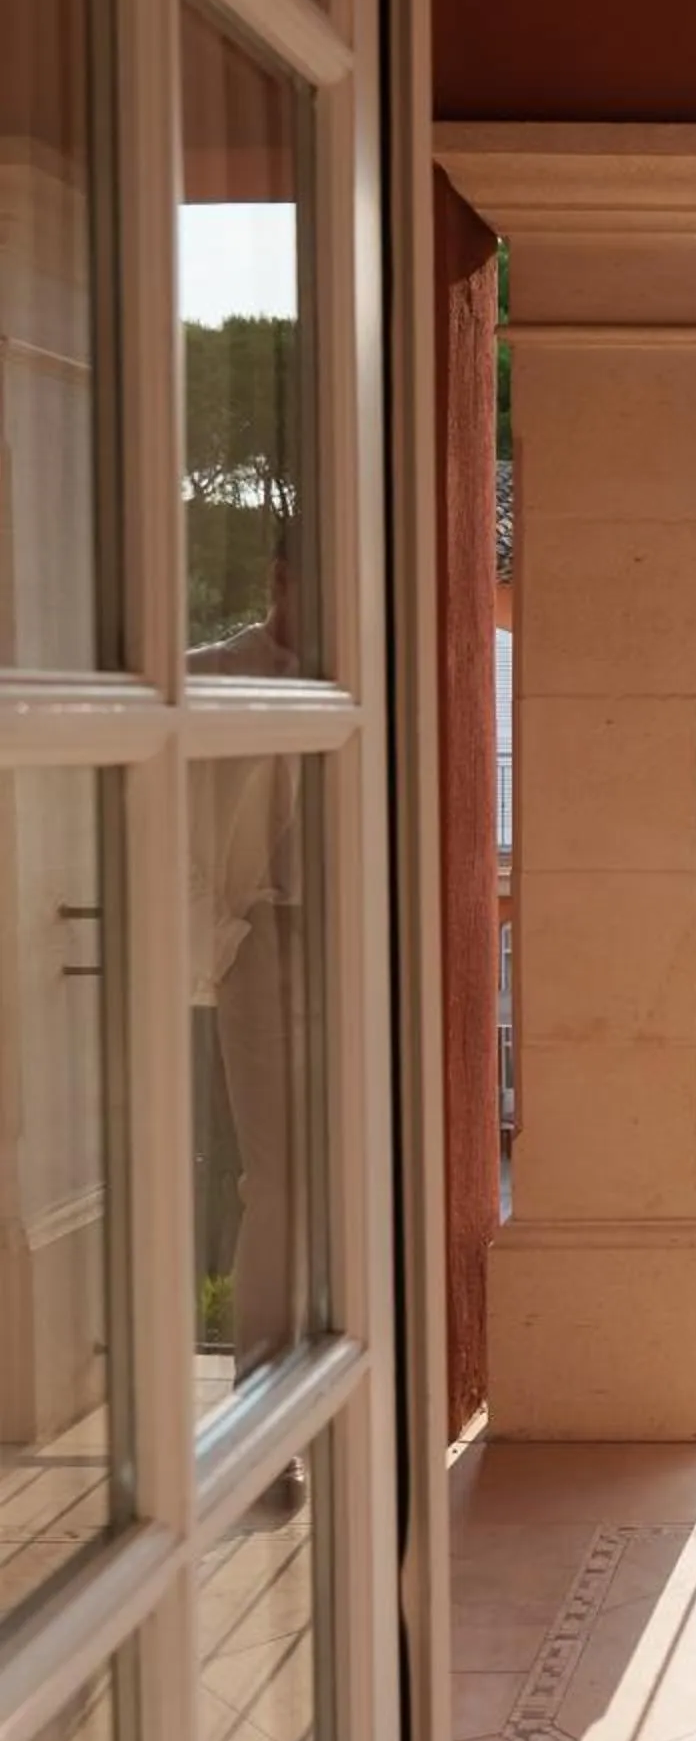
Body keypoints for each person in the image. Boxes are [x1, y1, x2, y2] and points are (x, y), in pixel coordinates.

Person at [189, 533, 311, 1510]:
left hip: (359, 954)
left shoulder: (372, 681)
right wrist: (223, 945)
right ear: (278, 579)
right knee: (277, 1186)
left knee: (360, 1181)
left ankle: (334, 1398)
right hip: (263, 948)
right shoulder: (213, 679)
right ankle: (264, 1428)